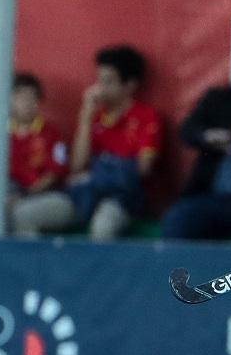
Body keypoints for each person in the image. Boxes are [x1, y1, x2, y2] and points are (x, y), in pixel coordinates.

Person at [10, 46, 160, 240]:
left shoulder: (146, 117)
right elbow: (77, 165)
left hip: (120, 198)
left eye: (108, 81)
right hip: (84, 194)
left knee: (102, 228)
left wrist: (98, 173)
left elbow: (143, 168)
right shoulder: (95, 117)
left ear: (129, 85)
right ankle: (33, 270)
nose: (99, 87)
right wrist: (85, 118)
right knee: (22, 215)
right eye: (99, 80)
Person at [162, 44, 231, 240]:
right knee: (178, 222)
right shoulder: (220, 100)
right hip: (212, 197)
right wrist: (206, 136)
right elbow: (187, 130)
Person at [6, 73, 70, 236]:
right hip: (10, 195)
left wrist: (25, 195)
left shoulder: (51, 134)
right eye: (20, 97)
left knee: (21, 213)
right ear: (9, 100)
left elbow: (55, 173)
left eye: (32, 98)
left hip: (46, 197)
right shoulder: (0, 136)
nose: (27, 103)